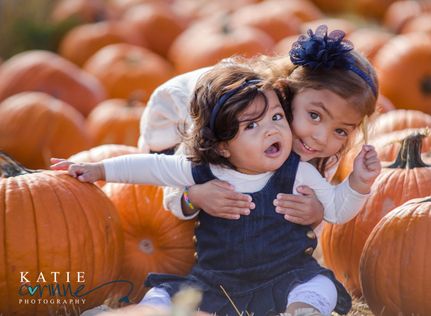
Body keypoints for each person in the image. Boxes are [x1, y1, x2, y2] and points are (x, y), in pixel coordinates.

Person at [51, 29, 381, 315]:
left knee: (316, 283)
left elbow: (330, 208)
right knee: (184, 206)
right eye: (314, 115)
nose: (322, 137)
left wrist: (333, 200)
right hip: (178, 121)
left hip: (271, 267)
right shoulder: (235, 116)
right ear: (287, 93)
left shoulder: (316, 154)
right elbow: (162, 169)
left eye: (341, 131)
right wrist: (193, 195)